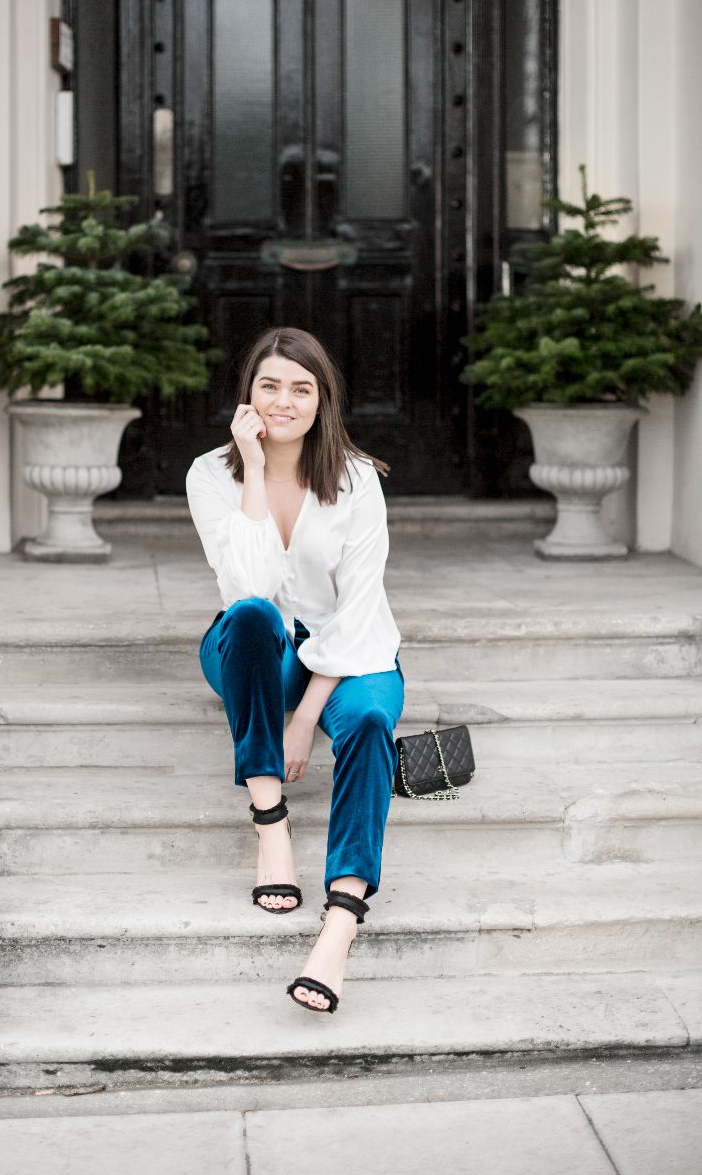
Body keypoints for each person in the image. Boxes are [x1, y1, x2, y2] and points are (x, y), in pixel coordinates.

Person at [185, 326, 405, 1014]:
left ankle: (339, 925)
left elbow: (360, 609)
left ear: (322, 399)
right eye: (269, 385)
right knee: (253, 615)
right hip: (257, 647)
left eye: (300, 388)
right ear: (247, 394)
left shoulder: (357, 479)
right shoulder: (210, 474)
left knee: (368, 719)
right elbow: (246, 589)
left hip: (351, 644)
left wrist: (306, 719)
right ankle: (269, 821)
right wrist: (252, 469)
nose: (283, 402)